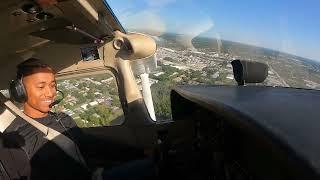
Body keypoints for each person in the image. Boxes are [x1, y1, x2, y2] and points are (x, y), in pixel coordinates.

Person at [4, 58, 155, 180]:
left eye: (53, 85)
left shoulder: (63, 119)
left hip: (93, 175)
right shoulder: (15, 138)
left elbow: (93, 145)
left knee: (154, 165)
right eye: (41, 86)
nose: (50, 93)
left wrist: (139, 152)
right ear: (20, 91)